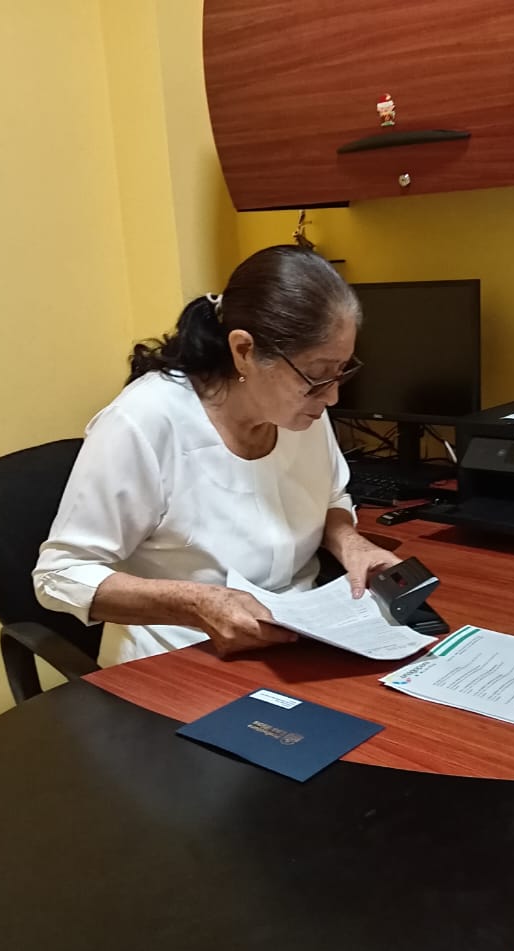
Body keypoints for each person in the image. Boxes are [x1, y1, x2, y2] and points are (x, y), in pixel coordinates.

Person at [33, 245, 400, 664]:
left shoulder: (303, 410)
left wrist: (351, 544)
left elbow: (331, 495)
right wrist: (196, 604)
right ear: (244, 351)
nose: (331, 396)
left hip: (294, 641)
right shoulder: (144, 422)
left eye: (341, 371)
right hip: (178, 655)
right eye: (317, 375)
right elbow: (59, 575)